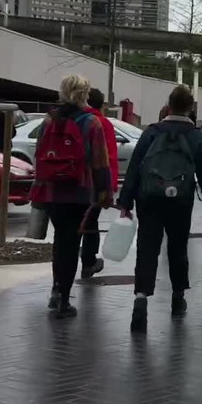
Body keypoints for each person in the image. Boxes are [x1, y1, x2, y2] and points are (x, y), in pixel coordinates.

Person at [117, 85, 202, 332]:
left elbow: (135, 168)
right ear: (190, 108)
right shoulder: (197, 137)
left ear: (169, 105)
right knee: (178, 247)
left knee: (147, 247)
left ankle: (141, 299)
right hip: (180, 200)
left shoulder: (151, 133)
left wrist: (125, 202)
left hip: (149, 198)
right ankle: (178, 297)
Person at [30, 74, 112, 319]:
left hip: (52, 190)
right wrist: (105, 190)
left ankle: (56, 289)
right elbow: (100, 161)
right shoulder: (92, 123)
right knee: (72, 243)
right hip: (80, 191)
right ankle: (64, 300)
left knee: (59, 242)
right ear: (85, 93)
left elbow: (39, 154)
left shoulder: (49, 120)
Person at [79, 87, 119, 279]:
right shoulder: (101, 123)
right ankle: (88, 262)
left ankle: (61, 277)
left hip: (71, 183)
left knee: (69, 229)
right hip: (94, 184)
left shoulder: (73, 119)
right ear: (101, 105)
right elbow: (109, 157)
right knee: (90, 223)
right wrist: (110, 187)